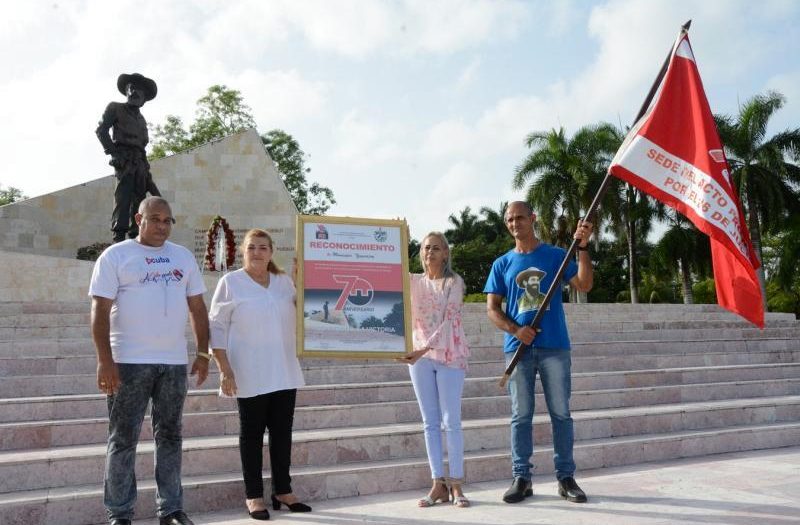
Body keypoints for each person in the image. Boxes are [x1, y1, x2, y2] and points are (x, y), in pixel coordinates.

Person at [89, 196, 210, 525]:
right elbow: (99, 311)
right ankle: (119, 513)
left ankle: (170, 509)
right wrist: (105, 360)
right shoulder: (116, 256)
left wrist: (201, 353)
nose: (161, 226)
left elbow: (197, 309)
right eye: (155, 219)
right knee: (123, 438)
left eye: (168, 220)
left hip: (172, 364)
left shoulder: (182, 256)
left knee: (170, 435)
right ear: (138, 218)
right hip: (128, 362)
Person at [483, 201, 593, 504]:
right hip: (518, 349)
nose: (514, 223)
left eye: (520, 217)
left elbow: (584, 284)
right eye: (509, 219)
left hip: (554, 346)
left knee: (561, 413)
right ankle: (522, 477)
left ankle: (566, 477)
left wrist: (582, 248)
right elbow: (492, 309)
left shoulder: (557, 255)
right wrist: (516, 330)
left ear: (533, 218)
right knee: (520, 416)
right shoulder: (502, 263)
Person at [208, 229, 311, 521]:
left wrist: (302, 283)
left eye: (263, 247)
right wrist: (224, 368)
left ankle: (283, 491)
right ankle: (254, 496)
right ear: (243, 251)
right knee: (251, 436)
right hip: (248, 371)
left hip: (283, 369)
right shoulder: (231, 283)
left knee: (282, 434)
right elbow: (216, 327)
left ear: (271, 252)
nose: (257, 252)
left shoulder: (283, 282)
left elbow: (305, 312)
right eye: (252, 247)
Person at [399, 232, 470, 508]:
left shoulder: (454, 282)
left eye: (436, 248)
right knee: (429, 422)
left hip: (450, 354)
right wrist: (399, 237)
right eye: (426, 247)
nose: (430, 252)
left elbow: (450, 321)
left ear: (445, 253)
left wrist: (422, 349)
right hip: (419, 358)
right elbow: (388, 271)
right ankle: (437, 483)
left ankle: (456, 485)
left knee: (450, 420)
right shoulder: (413, 281)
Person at [96, 72, 162, 243]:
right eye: (131, 88)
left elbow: (143, 146)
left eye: (139, 91)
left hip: (140, 161)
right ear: (126, 91)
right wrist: (114, 153)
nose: (134, 92)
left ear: (144, 99)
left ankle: (135, 236)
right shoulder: (115, 108)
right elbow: (101, 131)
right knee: (122, 198)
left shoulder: (142, 120)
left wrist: (146, 169)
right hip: (123, 158)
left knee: (139, 200)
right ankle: (118, 236)